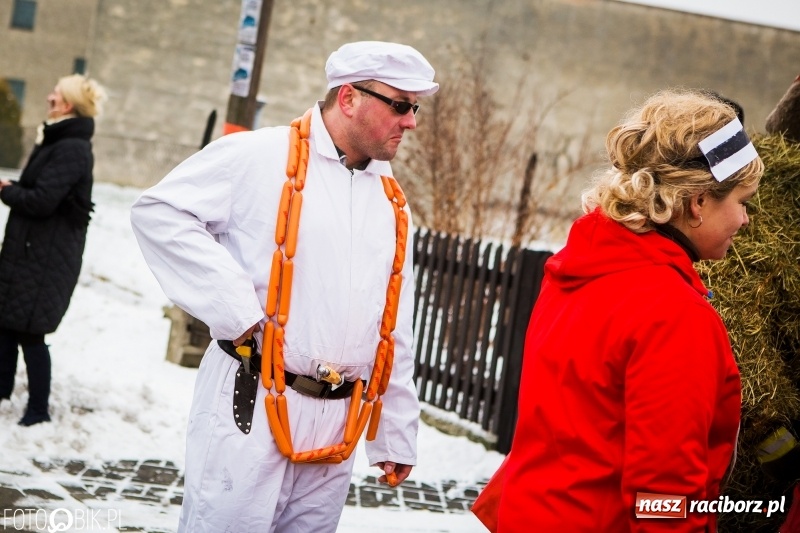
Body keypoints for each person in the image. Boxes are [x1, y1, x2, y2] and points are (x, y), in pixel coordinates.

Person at [130, 41, 438, 532]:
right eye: (400, 105)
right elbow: (160, 213)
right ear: (349, 98)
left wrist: (395, 432)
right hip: (251, 403)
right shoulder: (259, 155)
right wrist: (235, 307)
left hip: (339, 423)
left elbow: (393, 322)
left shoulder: (390, 200)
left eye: (415, 108)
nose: (411, 122)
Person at [484, 89, 762, 532]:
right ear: (697, 203)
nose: (745, 220)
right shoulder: (674, 313)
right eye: (742, 202)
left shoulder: (580, 269)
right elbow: (663, 495)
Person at [0, 74, 106, 426]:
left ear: (68, 105)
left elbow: (43, 200)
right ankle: (2, 392)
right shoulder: (57, 139)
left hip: (45, 257)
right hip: (31, 252)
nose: (49, 98)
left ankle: (38, 410)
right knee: (7, 324)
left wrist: (5, 191)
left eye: (55, 96)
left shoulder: (71, 147)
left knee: (31, 332)